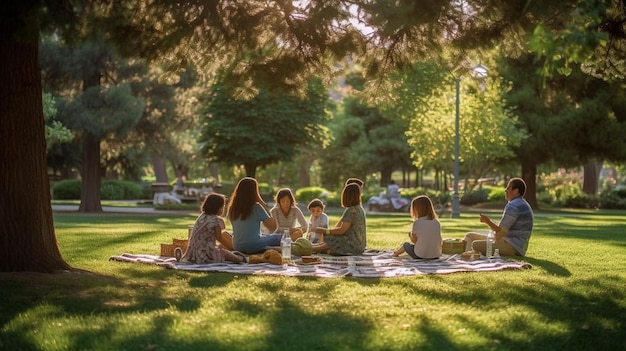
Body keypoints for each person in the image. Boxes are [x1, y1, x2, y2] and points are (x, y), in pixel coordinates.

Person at [463, 177, 534, 256]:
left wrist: (487, 221)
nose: (505, 190)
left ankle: (468, 258)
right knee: (470, 236)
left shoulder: (513, 206)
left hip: (512, 247)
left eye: (508, 187)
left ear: (516, 191)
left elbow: (500, 232)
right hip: (510, 243)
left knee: (475, 245)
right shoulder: (522, 203)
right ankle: (466, 256)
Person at [179, 193, 245, 264]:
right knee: (229, 255)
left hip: (192, 253)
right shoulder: (216, 220)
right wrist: (232, 247)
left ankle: (183, 258)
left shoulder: (201, 217)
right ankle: (241, 258)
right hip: (206, 253)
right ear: (218, 208)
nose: (223, 209)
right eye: (222, 207)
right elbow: (220, 238)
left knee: (221, 249)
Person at [228, 177, 280, 254]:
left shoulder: (232, 208)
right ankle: (267, 249)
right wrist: (262, 202)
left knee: (263, 236)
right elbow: (273, 227)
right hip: (253, 245)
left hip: (237, 246)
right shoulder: (257, 208)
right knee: (280, 237)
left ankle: (266, 248)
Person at [312, 183, 367, 255]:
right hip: (360, 245)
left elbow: (341, 230)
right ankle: (319, 248)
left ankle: (314, 248)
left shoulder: (351, 211)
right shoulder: (360, 208)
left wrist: (325, 231)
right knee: (333, 239)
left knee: (330, 236)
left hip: (353, 245)